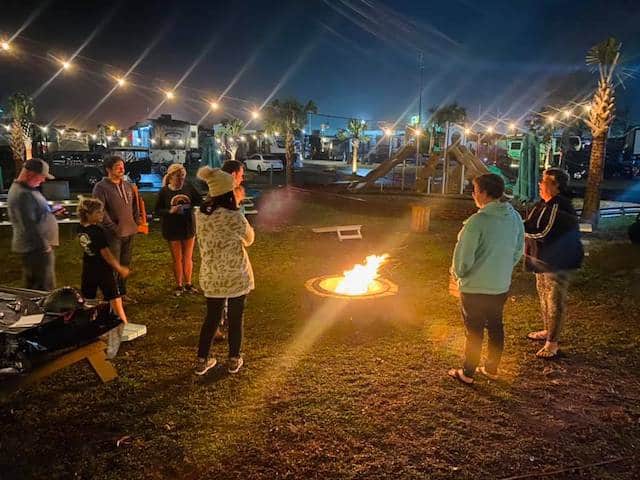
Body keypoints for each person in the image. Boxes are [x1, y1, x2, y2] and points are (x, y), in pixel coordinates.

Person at [448, 174, 524, 385]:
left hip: (475, 287)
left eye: (474, 190)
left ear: (483, 193)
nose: (473, 194)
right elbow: (518, 250)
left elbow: (463, 259)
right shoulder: (514, 216)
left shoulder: (477, 222)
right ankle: (491, 368)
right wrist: (503, 269)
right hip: (500, 285)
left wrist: (458, 275)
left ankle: (468, 372)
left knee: (473, 330)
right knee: (496, 326)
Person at [193, 166, 255, 375]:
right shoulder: (233, 216)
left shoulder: (200, 215)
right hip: (236, 275)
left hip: (212, 274)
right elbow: (249, 238)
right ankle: (234, 358)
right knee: (236, 318)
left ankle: (202, 359)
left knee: (211, 318)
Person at [524, 168, 583, 359]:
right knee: (543, 295)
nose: (541, 184)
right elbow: (529, 224)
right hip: (542, 259)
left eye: (545, 181)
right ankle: (547, 330)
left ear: (556, 186)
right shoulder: (543, 204)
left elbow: (544, 233)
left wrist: (517, 233)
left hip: (558, 261)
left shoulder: (559, 206)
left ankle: (553, 343)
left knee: (554, 300)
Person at [77, 198, 131, 358]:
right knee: (115, 297)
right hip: (102, 270)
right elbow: (106, 254)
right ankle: (122, 325)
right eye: (98, 212)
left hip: (88, 268)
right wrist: (119, 268)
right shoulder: (97, 231)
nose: (102, 214)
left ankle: (88, 328)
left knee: (89, 298)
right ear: (88, 214)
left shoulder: (79, 228)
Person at [7, 158, 63, 291]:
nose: (43, 180)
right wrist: (44, 246)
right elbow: (28, 224)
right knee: (43, 287)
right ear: (30, 174)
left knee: (37, 284)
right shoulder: (23, 194)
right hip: (36, 249)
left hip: (36, 248)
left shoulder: (26, 189)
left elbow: (34, 214)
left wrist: (50, 212)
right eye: (41, 177)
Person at [92, 156, 140, 300]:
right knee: (113, 265)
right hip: (113, 234)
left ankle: (122, 292)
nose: (121, 168)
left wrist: (135, 222)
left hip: (129, 231)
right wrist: (113, 227)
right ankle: (112, 296)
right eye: (118, 166)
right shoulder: (101, 187)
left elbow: (134, 205)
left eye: (122, 166)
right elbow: (100, 210)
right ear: (108, 169)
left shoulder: (127, 185)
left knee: (125, 264)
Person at [154, 163, 202, 296]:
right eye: (178, 176)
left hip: (188, 226)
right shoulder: (164, 191)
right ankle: (179, 285)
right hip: (172, 228)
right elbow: (157, 210)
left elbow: (199, 201)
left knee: (188, 257)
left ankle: (188, 283)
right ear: (170, 177)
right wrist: (170, 211)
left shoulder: (188, 187)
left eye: (183, 176)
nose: (181, 179)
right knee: (177, 258)